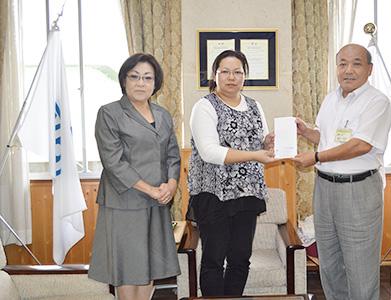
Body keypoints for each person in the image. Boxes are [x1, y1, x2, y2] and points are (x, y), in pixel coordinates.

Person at [293, 44, 391, 300]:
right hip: (324, 188)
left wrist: (315, 156)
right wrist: (307, 132)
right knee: (329, 264)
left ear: (369, 69)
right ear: (336, 67)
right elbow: (327, 139)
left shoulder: (377, 102)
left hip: (357, 189)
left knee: (361, 269)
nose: (348, 70)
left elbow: (360, 145)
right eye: (342, 64)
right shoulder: (331, 99)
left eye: (356, 63)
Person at [88, 53, 181, 300]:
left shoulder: (162, 114)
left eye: (148, 78)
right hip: (124, 202)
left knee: (150, 265)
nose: (141, 83)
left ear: (155, 83)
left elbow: (173, 155)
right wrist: (151, 190)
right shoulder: (109, 113)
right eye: (135, 77)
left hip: (158, 202)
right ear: (124, 80)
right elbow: (113, 162)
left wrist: (171, 186)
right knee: (127, 268)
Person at [187, 50, 275, 296]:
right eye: (225, 71)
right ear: (214, 75)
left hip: (247, 194)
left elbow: (261, 144)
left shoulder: (255, 106)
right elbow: (210, 152)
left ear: (245, 76)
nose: (231, 77)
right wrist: (256, 155)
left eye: (238, 72)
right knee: (214, 260)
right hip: (213, 195)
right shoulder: (204, 106)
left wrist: (269, 144)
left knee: (240, 259)